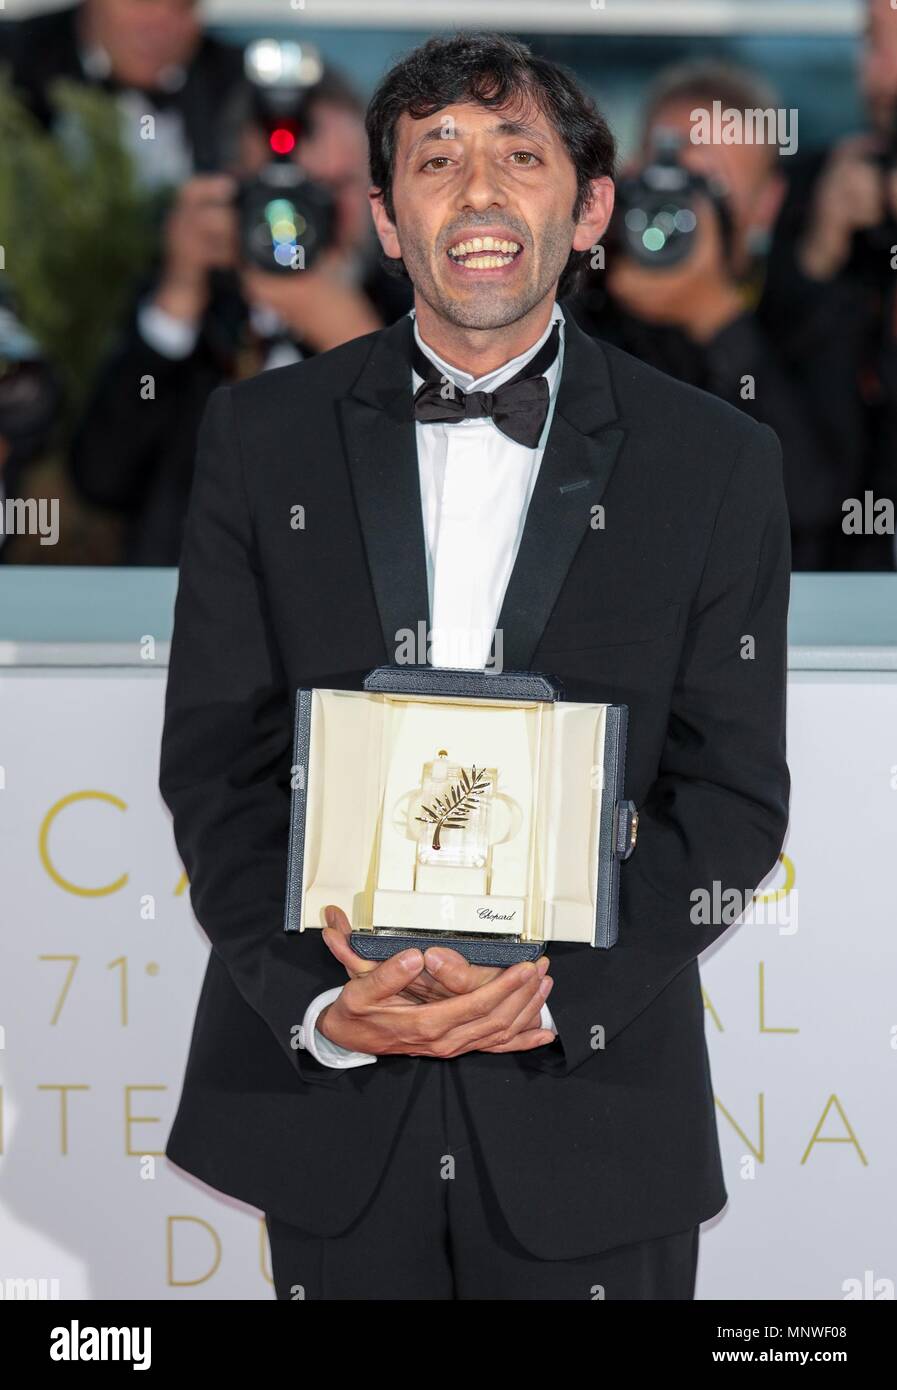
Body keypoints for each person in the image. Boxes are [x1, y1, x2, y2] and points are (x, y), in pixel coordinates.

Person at [159, 30, 791, 1301]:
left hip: (592, 1106)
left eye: (522, 154)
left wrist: (555, 999)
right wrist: (327, 1009)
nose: (482, 191)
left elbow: (729, 797)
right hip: (333, 1103)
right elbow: (217, 768)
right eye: (436, 158)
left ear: (593, 206)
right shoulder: (260, 437)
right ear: (387, 219)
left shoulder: (714, 461)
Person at [69, 65, 412, 565]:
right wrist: (177, 302)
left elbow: (449, 502)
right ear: (233, 190)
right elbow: (100, 480)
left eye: (336, 189)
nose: (310, 220)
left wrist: (357, 341)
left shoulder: (414, 304)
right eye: (286, 195)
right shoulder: (197, 307)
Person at [569, 60, 847, 571]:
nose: (683, 212)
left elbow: (815, 503)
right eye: (668, 179)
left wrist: (717, 318)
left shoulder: (809, 311)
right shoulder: (579, 306)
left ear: (768, 203)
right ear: (629, 180)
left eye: (710, 187)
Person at [762, 0, 897, 570]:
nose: (871, 74)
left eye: (882, 43)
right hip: (840, 589)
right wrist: (821, 252)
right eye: (871, 43)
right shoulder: (822, 187)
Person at [5, 0, 246, 188]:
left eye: (183, 6)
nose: (161, 25)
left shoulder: (236, 82)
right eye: (142, 2)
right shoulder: (14, 61)